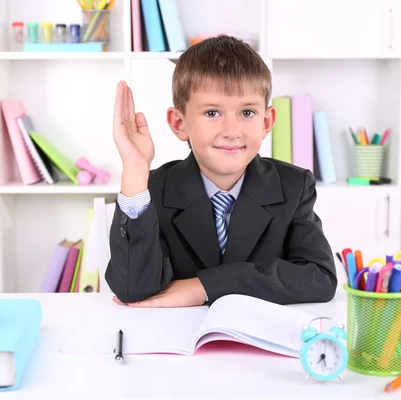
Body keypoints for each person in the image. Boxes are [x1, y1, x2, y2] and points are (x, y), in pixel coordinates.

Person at [106, 34, 336, 307]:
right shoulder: (151, 189)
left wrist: (204, 287)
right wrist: (134, 167)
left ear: (266, 121)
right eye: (212, 113)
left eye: (247, 113)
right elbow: (133, 289)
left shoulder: (294, 186)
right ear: (179, 124)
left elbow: (319, 278)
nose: (231, 131)